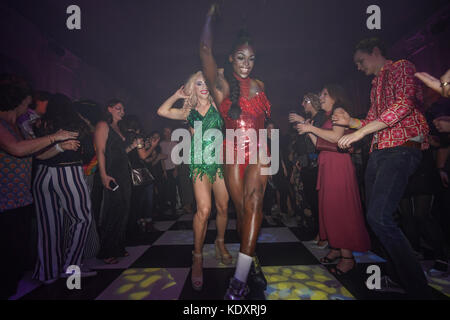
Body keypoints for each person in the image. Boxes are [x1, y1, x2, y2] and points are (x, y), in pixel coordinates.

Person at [334, 37, 432, 298]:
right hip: (379, 151)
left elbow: (403, 106)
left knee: (379, 217)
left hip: (401, 148)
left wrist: (359, 133)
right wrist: (351, 121)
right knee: (379, 219)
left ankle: (419, 289)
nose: (358, 67)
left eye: (360, 61)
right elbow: (372, 120)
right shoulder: (375, 83)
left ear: (376, 51)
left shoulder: (402, 67)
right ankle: (399, 275)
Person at [200, 3, 272, 299]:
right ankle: (251, 258)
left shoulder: (260, 84)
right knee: (242, 212)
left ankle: (239, 279)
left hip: (258, 151)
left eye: (251, 58)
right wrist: (209, 17)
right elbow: (204, 49)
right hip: (231, 152)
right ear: (231, 58)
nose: (247, 63)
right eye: (241, 57)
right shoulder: (221, 85)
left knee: (255, 203)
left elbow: (265, 122)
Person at [0, 81, 77, 298]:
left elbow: (39, 155)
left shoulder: (18, 126)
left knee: (16, 254)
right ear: (17, 100)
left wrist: (61, 146)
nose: (29, 104)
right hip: (3, 200)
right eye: (27, 100)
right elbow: (16, 149)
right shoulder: (2, 124)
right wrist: (55, 137)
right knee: (6, 255)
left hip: (21, 199)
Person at [157, 71, 231, 291]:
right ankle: (197, 257)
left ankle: (220, 242)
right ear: (193, 87)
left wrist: (217, 74)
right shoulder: (188, 112)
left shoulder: (219, 107)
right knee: (204, 210)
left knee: (223, 207)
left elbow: (226, 90)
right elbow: (161, 111)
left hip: (220, 164)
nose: (204, 86)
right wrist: (176, 95)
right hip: (199, 163)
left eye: (206, 83)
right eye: (199, 83)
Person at [296, 85, 371, 275]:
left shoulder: (339, 111)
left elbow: (337, 138)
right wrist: (308, 130)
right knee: (329, 208)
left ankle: (348, 258)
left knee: (340, 209)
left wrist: (310, 127)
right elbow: (321, 144)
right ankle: (337, 248)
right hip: (328, 163)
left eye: (324, 94)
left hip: (338, 165)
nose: (320, 97)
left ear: (335, 96)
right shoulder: (329, 116)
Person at [32, 93, 96, 284]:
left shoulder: (39, 124)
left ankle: (47, 273)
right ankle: (71, 267)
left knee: (48, 225)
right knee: (82, 218)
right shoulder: (76, 124)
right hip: (68, 173)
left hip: (42, 175)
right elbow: (89, 151)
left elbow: (37, 153)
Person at [94, 99, 132, 264]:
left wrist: (133, 146)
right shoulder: (103, 125)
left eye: (123, 108)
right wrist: (103, 175)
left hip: (124, 173)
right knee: (113, 209)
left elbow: (121, 152)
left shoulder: (119, 127)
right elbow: (100, 151)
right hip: (111, 173)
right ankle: (106, 250)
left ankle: (118, 246)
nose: (122, 111)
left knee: (124, 208)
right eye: (118, 108)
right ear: (109, 109)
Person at [289, 93, 327, 244]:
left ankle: (324, 236)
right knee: (312, 200)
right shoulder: (311, 119)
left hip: (318, 165)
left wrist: (301, 120)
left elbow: (320, 139)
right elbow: (303, 145)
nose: (302, 105)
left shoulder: (321, 117)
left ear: (311, 101)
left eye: (304, 102)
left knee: (320, 202)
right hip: (307, 165)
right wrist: (299, 160)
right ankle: (320, 232)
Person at [159, 126, 179, 216]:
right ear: (164, 133)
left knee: (173, 188)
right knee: (166, 189)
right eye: (166, 131)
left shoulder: (175, 143)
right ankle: (168, 207)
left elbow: (177, 158)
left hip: (172, 168)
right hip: (165, 169)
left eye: (169, 131)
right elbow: (161, 158)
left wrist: (175, 169)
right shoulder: (161, 144)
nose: (168, 133)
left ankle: (174, 208)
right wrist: (164, 171)